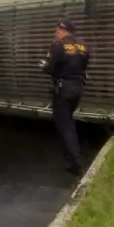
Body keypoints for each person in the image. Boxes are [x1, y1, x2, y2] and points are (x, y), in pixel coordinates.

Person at [40, 20, 89, 175]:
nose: (56, 32)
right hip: (77, 88)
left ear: (63, 30)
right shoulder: (83, 45)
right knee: (68, 122)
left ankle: (76, 162)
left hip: (63, 90)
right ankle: (71, 158)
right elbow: (84, 65)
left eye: (57, 30)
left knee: (65, 126)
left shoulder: (58, 45)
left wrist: (43, 65)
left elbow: (49, 68)